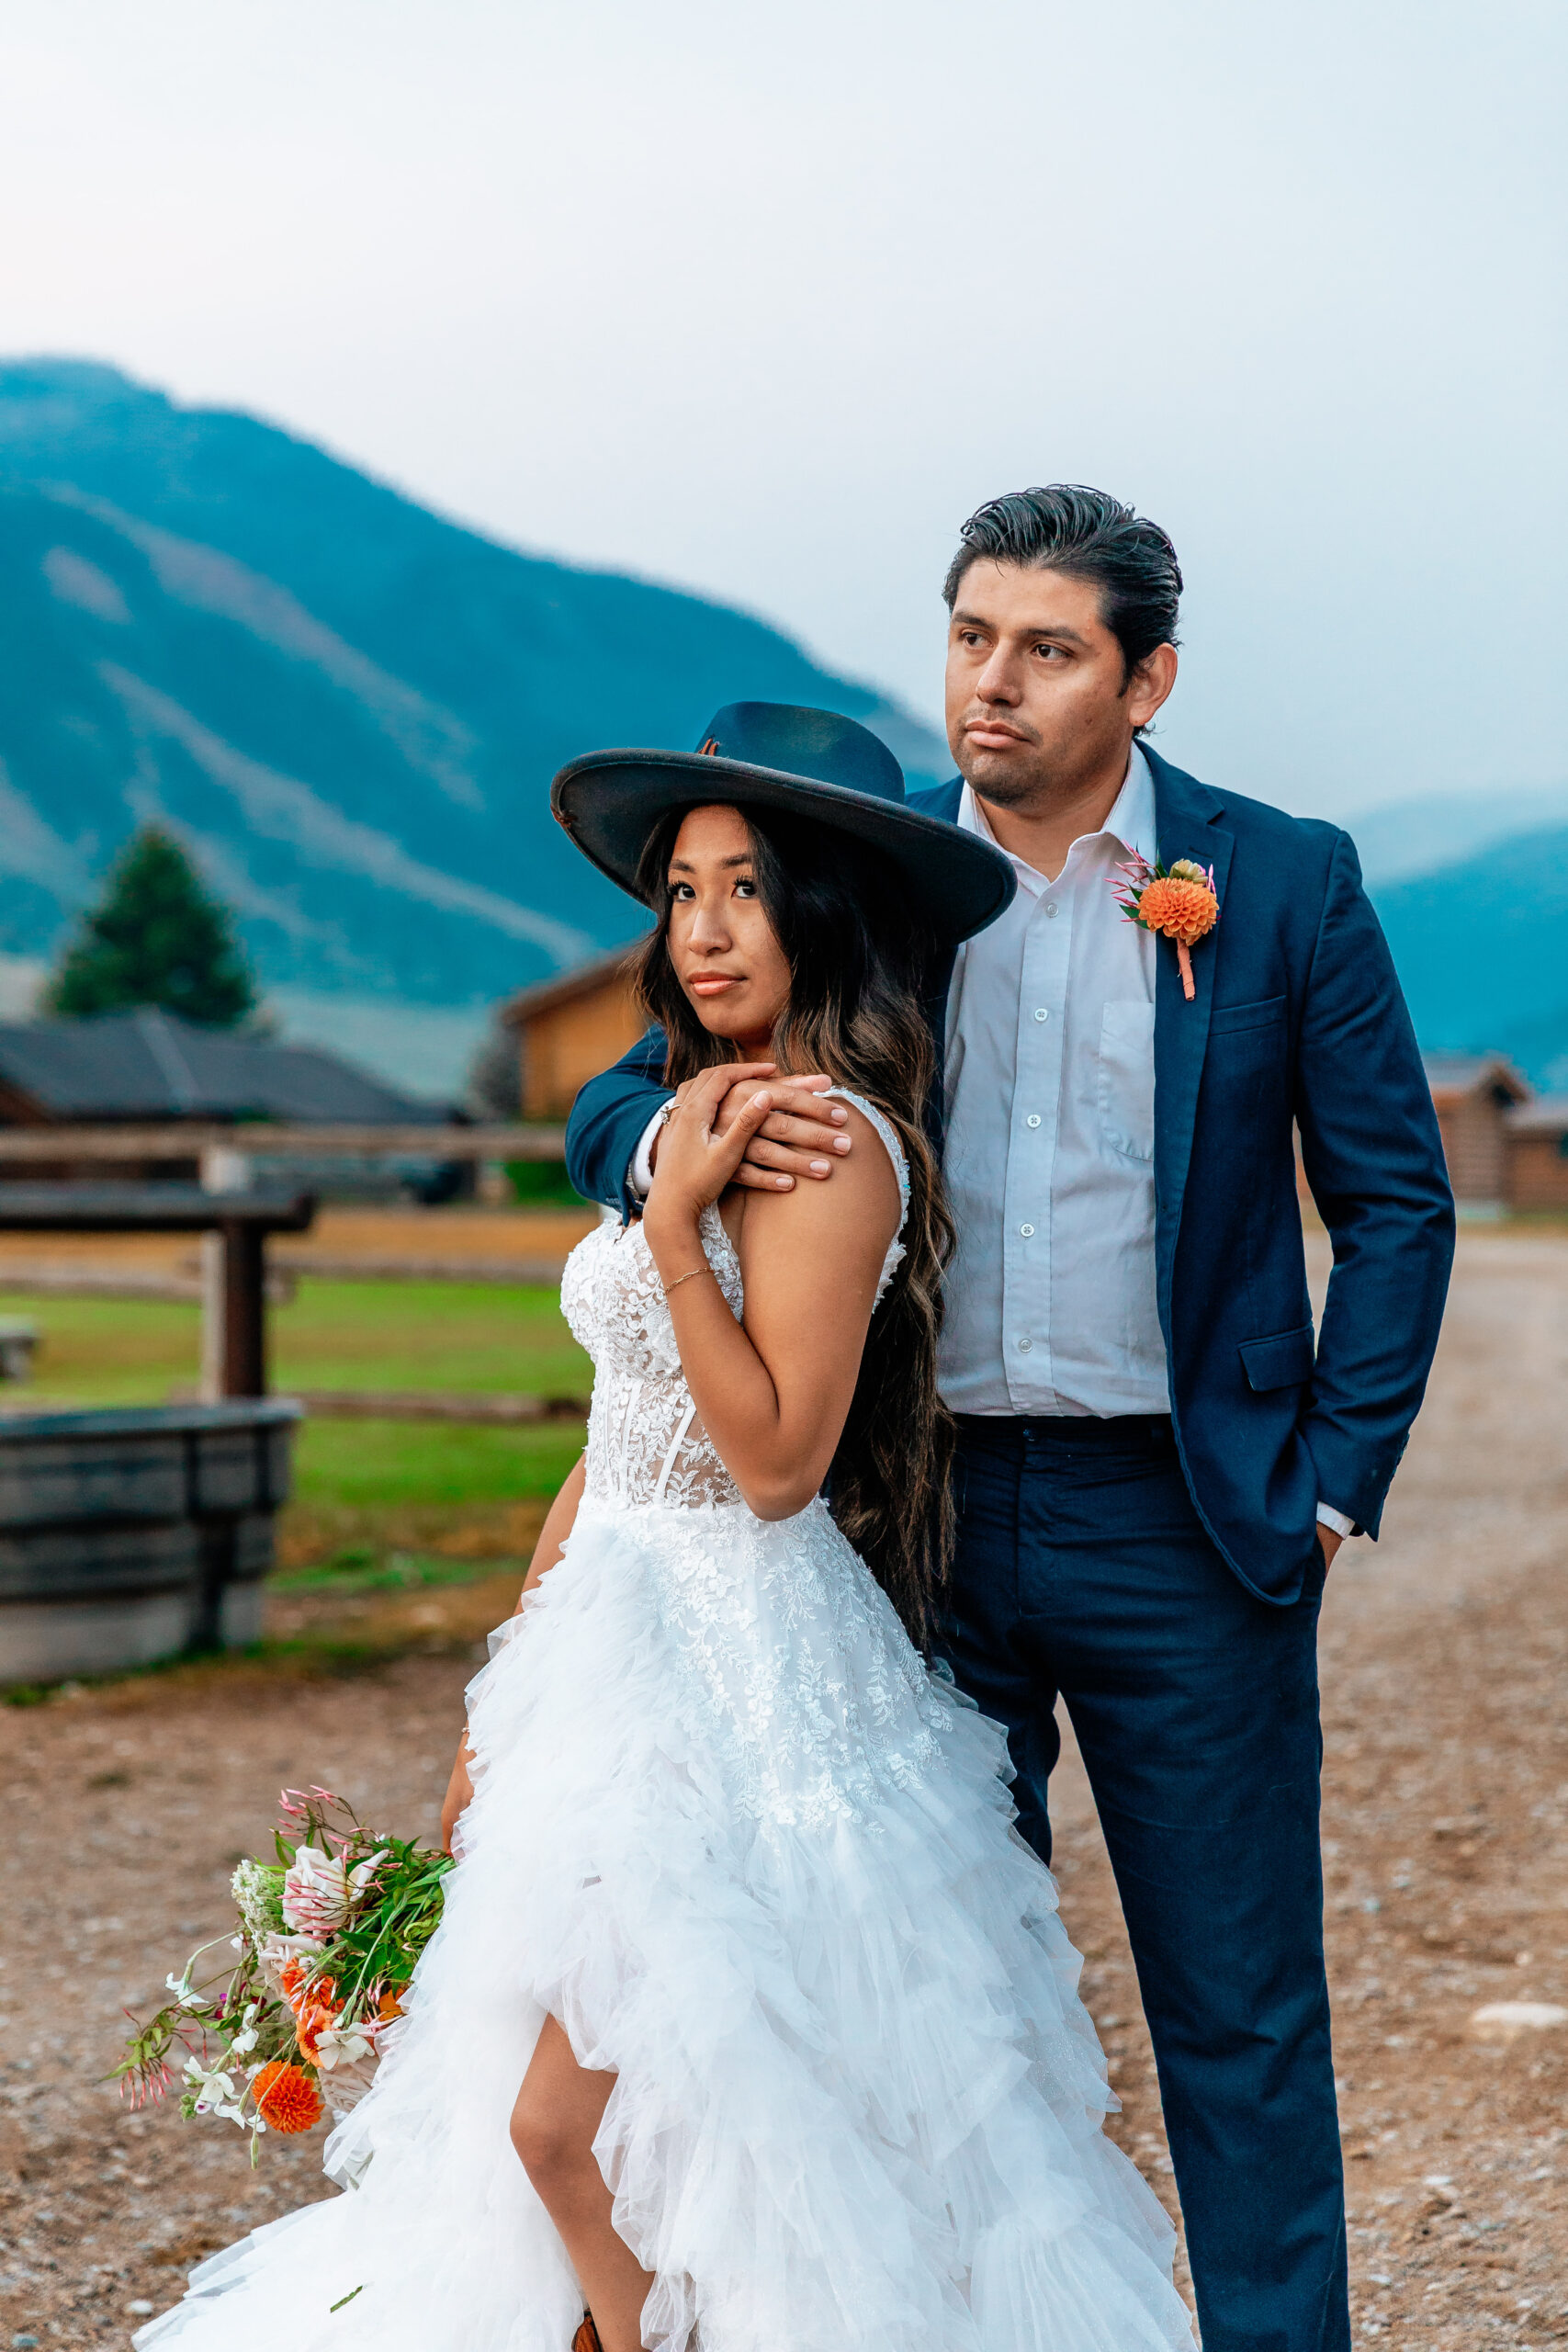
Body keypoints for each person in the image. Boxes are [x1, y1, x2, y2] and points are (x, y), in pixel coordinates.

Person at [138, 703, 1196, 2352]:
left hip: (741, 1676)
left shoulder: (825, 1147)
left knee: (581, 2130)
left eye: (748, 891)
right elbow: (615, 1437)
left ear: (827, 909)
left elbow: (773, 1461)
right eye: (683, 891)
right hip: (612, 1646)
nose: (704, 931)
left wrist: (686, 1219)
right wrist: (514, 1678)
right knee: (611, 2137)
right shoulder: (686, 1105)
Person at [567, 489, 1457, 2352]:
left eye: (1045, 647)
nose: (991, 681)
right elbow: (637, 1076)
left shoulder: (1274, 881)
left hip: (1192, 1523)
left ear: (1144, 677)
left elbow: (1391, 1202)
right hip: (915, 1520)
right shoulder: (875, 875)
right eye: (970, 634)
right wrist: (663, 1143)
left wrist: (1327, 1487)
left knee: (1235, 2010)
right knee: (929, 2000)